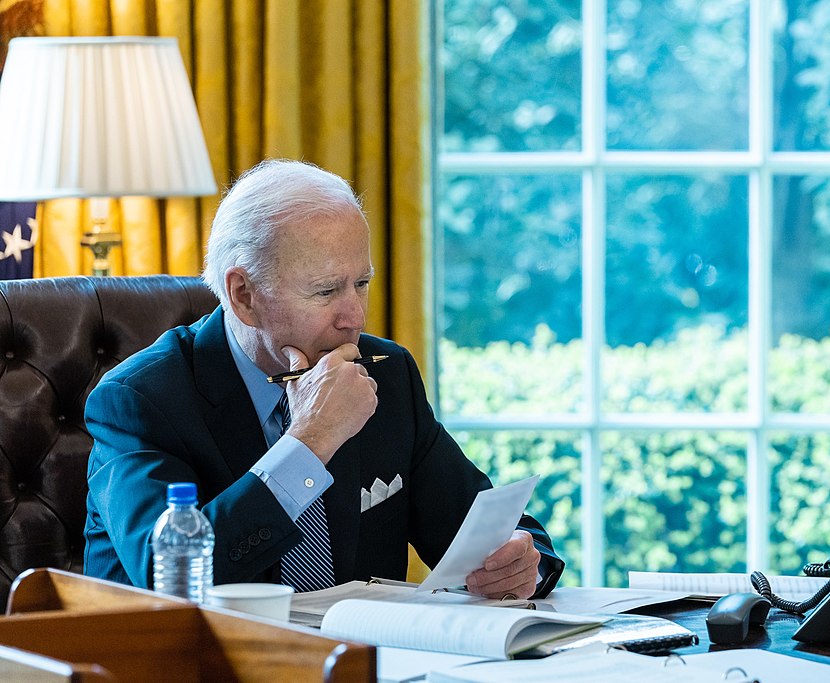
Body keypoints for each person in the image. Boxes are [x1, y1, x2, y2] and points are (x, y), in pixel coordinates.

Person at [83, 159, 564, 599]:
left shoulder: (385, 374)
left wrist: (523, 562)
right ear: (244, 294)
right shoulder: (139, 400)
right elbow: (173, 577)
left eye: (361, 283)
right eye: (326, 290)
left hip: (360, 663)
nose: (353, 316)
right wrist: (310, 442)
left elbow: (485, 527)